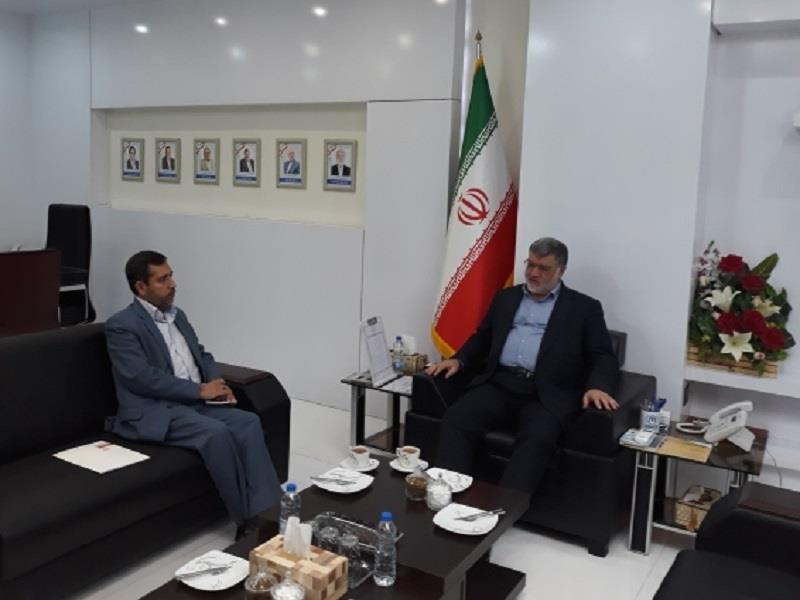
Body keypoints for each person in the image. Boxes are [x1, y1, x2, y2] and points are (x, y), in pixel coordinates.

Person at [104, 250, 281, 536]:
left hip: (193, 402)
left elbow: (201, 353)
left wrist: (216, 382)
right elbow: (141, 378)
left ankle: (271, 513)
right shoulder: (122, 325)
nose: (172, 284)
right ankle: (248, 523)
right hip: (157, 409)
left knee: (248, 422)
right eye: (162, 279)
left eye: (171, 276)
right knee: (216, 434)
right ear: (141, 287)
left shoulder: (178, 316)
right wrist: (200, 390)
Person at [427, 237, 620, 495]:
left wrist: (598, 386)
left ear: (561, 270)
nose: (534, 273)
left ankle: (505, 507)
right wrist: (458, 359)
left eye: (543, 268)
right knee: (457, 418)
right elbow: (483, 337)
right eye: (531, 264)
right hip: (501, 383)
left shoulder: (584, 308)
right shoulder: (506, 297)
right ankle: (446, 494)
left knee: (537, 437)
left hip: (547, 393)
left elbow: (602, 354)